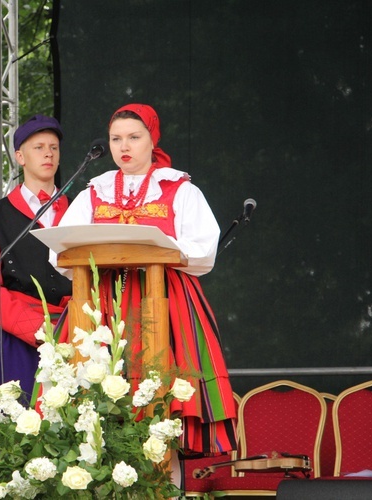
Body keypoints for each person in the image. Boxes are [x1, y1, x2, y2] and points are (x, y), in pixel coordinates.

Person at [56, 103, 237, 455]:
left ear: (152, 140)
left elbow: (202, 249)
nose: (124, 147)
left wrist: (157, 249)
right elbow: (61, 251)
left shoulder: (180, 190)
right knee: (97, 401)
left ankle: (166, 484)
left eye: (134, 138)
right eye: (116, 138)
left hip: (164, 302)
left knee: (164, 408)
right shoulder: (92, 193)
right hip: (102, 303)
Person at [0, 114, 72, 404]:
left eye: (53, 147)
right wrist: (39, 330)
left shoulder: (81, 210)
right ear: (20, 157)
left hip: (74, 333)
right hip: (19, 340)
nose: (48, 153)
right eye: (39, 147)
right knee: (21, 429)